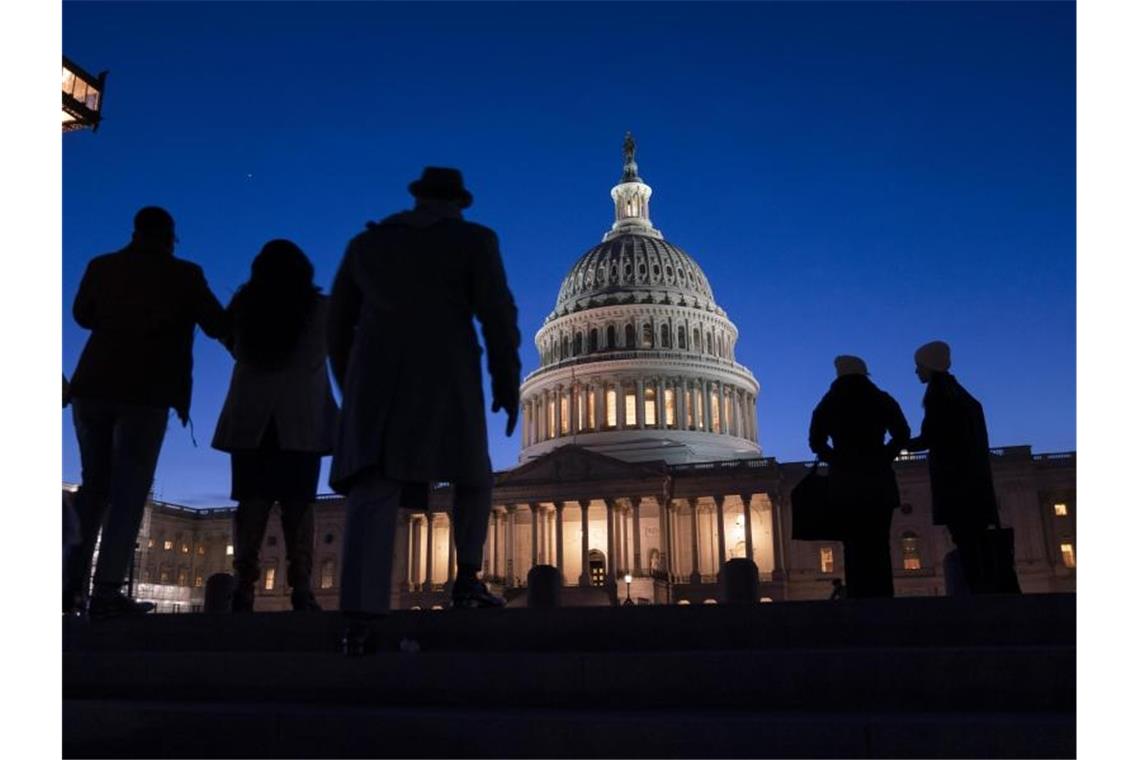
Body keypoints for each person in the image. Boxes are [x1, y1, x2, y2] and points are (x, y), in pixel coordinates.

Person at [328, 167, 520, 654]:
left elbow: (337, 325)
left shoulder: (365, 245)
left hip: (374, 375)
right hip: (445, 369)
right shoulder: (473, 240)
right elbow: (498, 314)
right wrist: (505, 379)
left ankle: (359, 615)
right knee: (472, 476)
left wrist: (350, 382)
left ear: (417, 199)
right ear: (457, 202)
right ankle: (468, 578)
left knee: (374, 485)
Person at [66, 207, 227, 617]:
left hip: (93, 386)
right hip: (146, 391)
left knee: (92, 489)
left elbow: (82, 315)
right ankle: (105, 592)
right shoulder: (185, 275)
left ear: (135, 232)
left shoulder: (102, 265)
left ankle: (66, 585)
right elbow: (217, 324)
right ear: (170, 237)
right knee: (129, 493)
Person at [211, 240, 339, 612]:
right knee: (299, 505)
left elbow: (225, 338)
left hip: (252, 419)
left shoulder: (246, 308)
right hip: (302, 419)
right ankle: (301, 587)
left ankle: (244, 587)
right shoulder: (321, 309)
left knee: (251, 503)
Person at [907, 340, 1015, 594]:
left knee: (965, 539)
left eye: (918, 366)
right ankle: (982, 590)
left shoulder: (939, 395)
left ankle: (977, 594)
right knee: (973, 538)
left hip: (955, 480)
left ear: (929, 365)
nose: (916, 371)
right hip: (972, 478)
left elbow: (930, 437)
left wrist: (896, 444)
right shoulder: (960, 394)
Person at [809, 356, 910, 598]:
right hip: (877, 478)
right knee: (879, 543)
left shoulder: (830, 402)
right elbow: (902, 433)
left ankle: (858, 598)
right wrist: (884, 455)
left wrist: (837, 459)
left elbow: (816, 442)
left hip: (845, 483)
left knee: (852, 545)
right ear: (864, 373)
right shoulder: (881, 399)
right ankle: (883, 597)